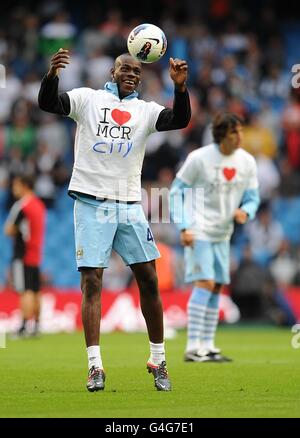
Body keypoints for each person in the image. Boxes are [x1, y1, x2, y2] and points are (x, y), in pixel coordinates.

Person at [38, 48, 190, 392]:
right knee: (92, 282)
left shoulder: (144, 111)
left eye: (137, 71)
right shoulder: (88, 100)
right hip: (91, 202)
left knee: (149, 279)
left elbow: (179, 120)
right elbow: (49, 103)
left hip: (128, 204)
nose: (132, 74)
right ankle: (95, 366)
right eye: (126, 68)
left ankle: (158, 358)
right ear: (112, 71)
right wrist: (51, 76)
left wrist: (180, 89)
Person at [170, 112, 260, 362]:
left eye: (240, 130)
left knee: (217, 285)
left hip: (223, 232)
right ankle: (192, 347)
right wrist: (184, 226)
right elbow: (175, 193)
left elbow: (253, 198)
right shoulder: (199, 159)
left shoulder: (247, 162)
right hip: (199, 229)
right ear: (222, 135)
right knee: (206, 283)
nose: (240, 136)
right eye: (234, 132)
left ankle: (207, 345)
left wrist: (247, 211)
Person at [4, 175, 46, 337]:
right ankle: (36, 326)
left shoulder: (22, 206)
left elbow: (9, 230)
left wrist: (16, 230)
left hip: (22, 254)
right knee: (36, 291)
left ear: (24, 185)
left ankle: (23, 327)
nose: (14, 189)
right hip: (36, 253)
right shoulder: (39, 205)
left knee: (25, 290)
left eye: (16, 185)